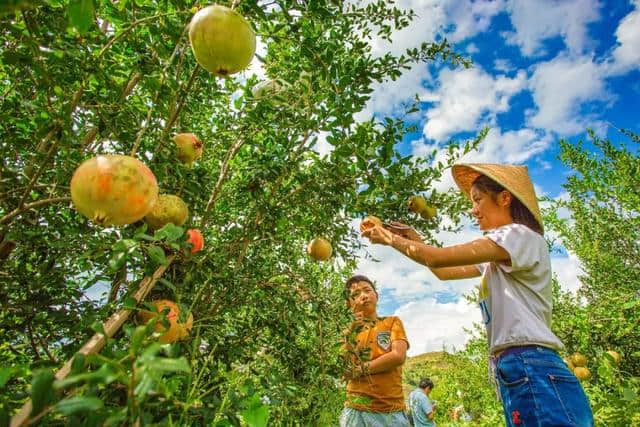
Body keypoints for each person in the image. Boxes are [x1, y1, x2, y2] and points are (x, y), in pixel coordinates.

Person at [361, 163, 594, 427]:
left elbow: (437, 258)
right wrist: (415, 239)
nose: (473, 209)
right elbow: (442, 270)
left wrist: (391, 240)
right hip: (518, 366)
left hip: (531, 363)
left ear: (505, 198)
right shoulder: (500, 253)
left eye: (478, 200)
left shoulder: (517, 235)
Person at [340, 275, 411, 427]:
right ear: (349, 303)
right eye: (355, 294)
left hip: (390, 412)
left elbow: (398, 356)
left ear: (376, 296)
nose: (363, 296)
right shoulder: (347, 333)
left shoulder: (392, 322)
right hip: (354, 410)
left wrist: (360, 370)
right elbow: (342, 368)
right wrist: (350, 332)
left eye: (367, 290)